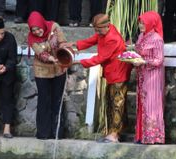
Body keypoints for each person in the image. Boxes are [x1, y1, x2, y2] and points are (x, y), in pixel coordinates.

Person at [62, 14, 132, 143]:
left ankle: (114, 134)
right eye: (96, 30)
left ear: (106, 26)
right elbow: (91, 40)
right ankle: (117, 131)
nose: (97, 33)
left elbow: (101, 58)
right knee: (111, 103)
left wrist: (78, 62)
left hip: (118, 73)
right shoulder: (104, 32)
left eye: (99, 30)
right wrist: (75, 44)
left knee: (117, 103)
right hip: (112, 72)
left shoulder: (112, 38)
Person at [27, 11, 67, 139]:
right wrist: (50, 55)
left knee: (57, 99)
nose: (37, 32)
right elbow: (40, 53)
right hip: (42, 70)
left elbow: (62, 43)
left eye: (38, 29)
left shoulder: (54, 27)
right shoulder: (31, 38)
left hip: (58, 68)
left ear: (42, 24)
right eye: (34, 30)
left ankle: (57, 133)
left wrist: (62, 55)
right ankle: (43, 133)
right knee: (44, 100)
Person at [130, 11, 165, 145]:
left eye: (143, 23)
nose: (141, 25)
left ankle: (153, 137)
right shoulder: (141, 36)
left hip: (153, 77)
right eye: (140, 23)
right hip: (142, 75)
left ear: (151, 23)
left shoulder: (156, 39)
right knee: (142, 104)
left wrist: (144, 62)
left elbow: (159, 60)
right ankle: (141, 135)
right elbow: (139, 52)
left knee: (151, 104)